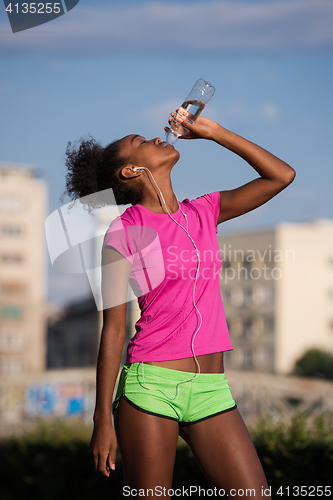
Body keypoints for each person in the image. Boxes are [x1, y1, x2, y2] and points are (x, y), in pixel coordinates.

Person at [64, 112, 295, 499]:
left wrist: (215, 132)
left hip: (211, 388)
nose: (155, 137)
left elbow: (281, 176)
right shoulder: (122, 232)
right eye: (140, 140)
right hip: (150, 386)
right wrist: (102, 418)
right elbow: (114, 330)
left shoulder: (203, 211)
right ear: (131, 171)